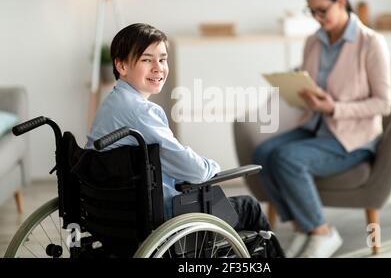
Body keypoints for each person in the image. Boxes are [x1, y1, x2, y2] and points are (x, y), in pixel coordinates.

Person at [86, 23, 283, 257]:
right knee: (249, 207)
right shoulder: (141, 112)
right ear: (121, 65)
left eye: (163, 59)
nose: (158, 68)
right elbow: (196, 172)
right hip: (160, 215)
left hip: (114, 213)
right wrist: (212, 167)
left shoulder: (111, 104)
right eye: (147, 60)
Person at [253, 0, 391, 258]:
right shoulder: (313, 42)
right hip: (316, 126)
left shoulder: (371, 42)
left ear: (340, 1)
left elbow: (384, 103)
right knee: (262, 154)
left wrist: (334, 108)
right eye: (311, 11)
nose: (317, 17)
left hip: (354, 137)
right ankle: (305, 229)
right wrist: (300, 91)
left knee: (287, 158)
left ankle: (322, 231)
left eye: (322, 10)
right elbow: (312, 84)